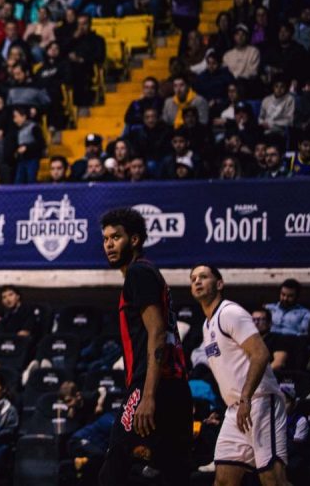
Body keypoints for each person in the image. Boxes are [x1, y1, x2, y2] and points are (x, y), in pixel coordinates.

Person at [99, 208, 191, 485]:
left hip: (153, 385)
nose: (109, 244)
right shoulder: (148, 273)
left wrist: (147, 396)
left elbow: (157, 334)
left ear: (135, 240)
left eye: (116, 237)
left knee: (112, 472)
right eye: (105, 239)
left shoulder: (139, 273)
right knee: (169, 473)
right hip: (174, 387)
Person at [189, 265, 289, 485]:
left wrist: (245, 398)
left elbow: (261, 354)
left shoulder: (230, 313)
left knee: (273, 480)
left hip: (259, 401)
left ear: (219, 284)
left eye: (204, 277)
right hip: (236, 409)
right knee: (224, 480)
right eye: (193, 278)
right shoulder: (207, 326)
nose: (197, 281)